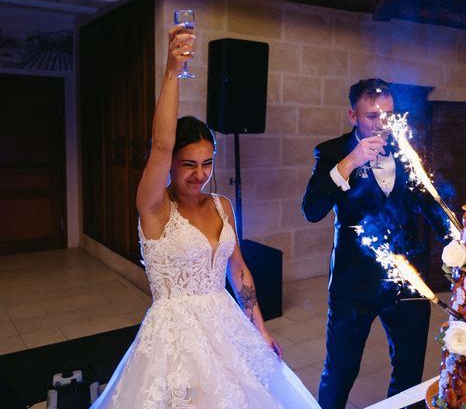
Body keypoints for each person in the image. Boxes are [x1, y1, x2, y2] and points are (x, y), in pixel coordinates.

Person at [92, 24, 320, 408]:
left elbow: (239, 271)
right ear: (170, 165)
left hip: (226, 323)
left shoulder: (221, 205)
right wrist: (172, 70)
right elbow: (162, 143)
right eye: (187, 165)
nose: (199, 174)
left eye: (207, 163)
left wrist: (260, 329)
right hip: (176, 341)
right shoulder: (155, 208)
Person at [302, 79, 448, 409]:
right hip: (354, 281)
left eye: (389, 116)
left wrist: (461, 247)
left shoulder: (408, 149)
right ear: (352, 115)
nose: (382, 125)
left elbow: (433, 205)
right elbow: (311, 210)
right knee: (340, 371)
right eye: (372, 117)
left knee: (409, 373)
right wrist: (349, 162)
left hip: (407, 278)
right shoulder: (331, 152)